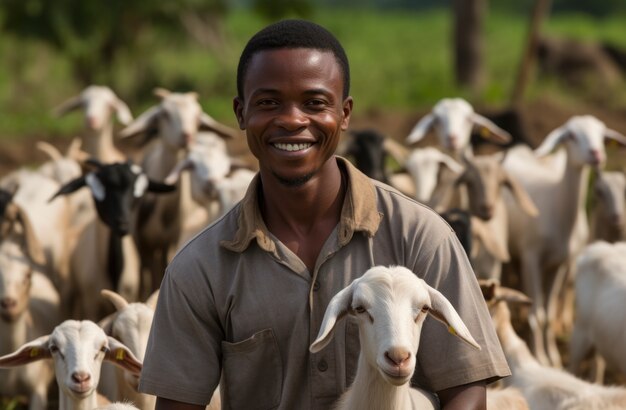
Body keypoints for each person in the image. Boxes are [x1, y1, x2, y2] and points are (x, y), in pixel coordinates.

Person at [139, 19, 510, 410]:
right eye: (268, 103)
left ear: (345, 113)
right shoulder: (199, 267)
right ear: (240, 112)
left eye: (315, 103)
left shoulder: (421, 237)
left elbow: (466, 391)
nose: (293, 120)